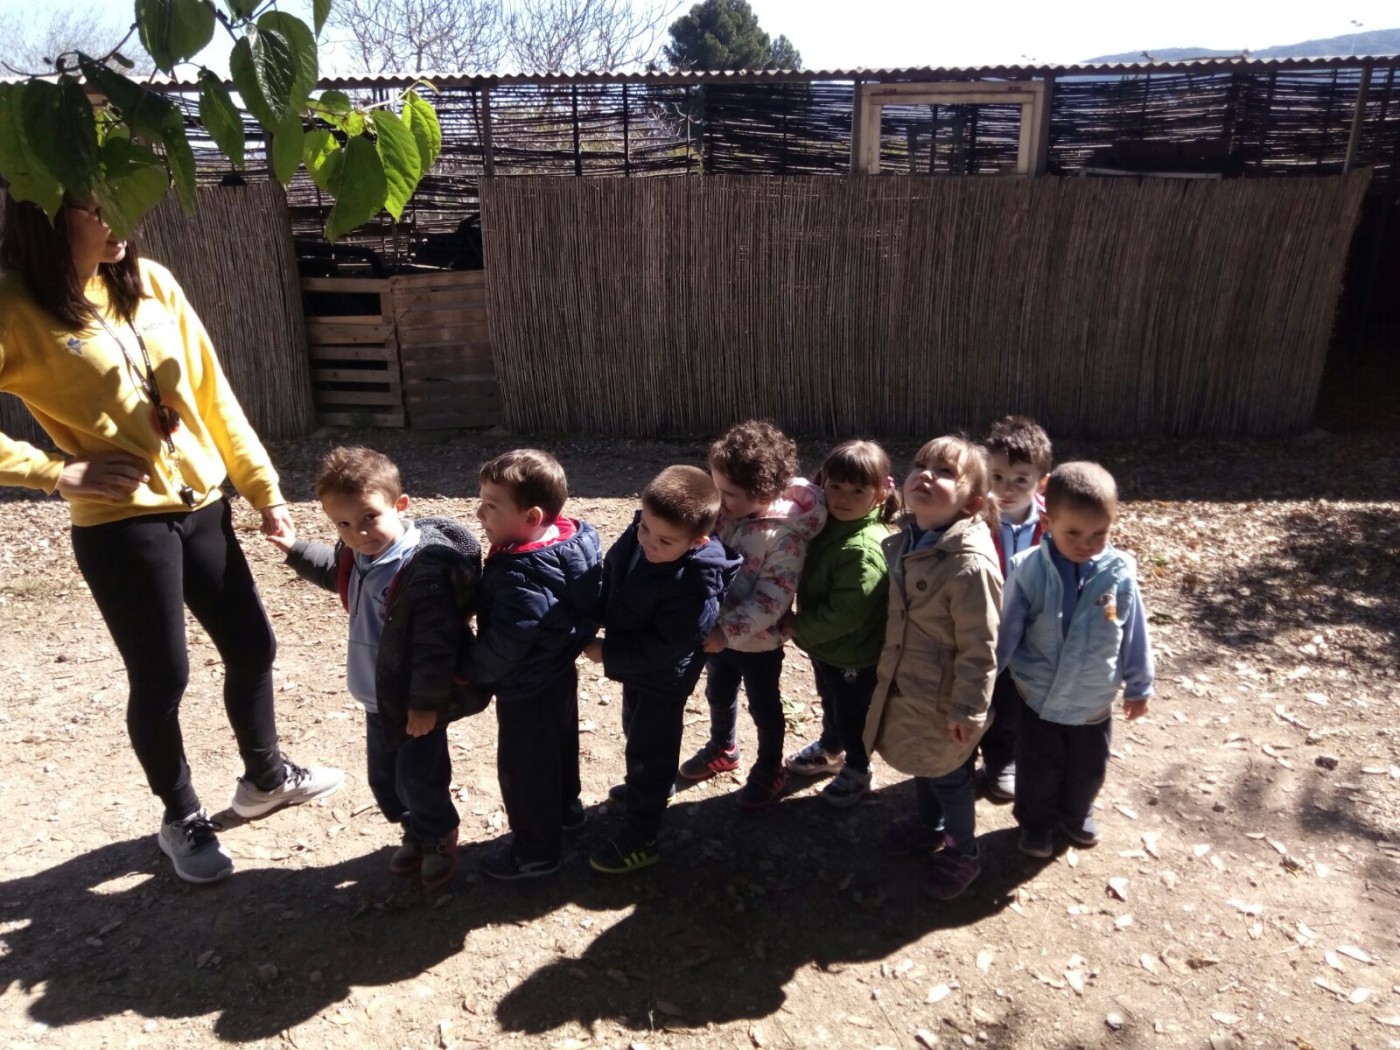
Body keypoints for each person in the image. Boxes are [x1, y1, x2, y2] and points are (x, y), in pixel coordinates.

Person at [0, 195, 341, 885]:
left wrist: (262, 488)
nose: (117, 217)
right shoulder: (14, 304)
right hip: (120, 522)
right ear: (49, 216)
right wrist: (54, 472)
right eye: (97, 206)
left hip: (202, 502)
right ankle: (179, 815)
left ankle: (266, 779)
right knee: (163, 677)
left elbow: (212, 396)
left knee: (253, 646)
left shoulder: (150, 281)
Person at [271, 446, 482, 892]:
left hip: (415, 701)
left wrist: (425, 705)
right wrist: (294, 548)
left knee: (419, 777)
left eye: (369, 517)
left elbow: (434, 647)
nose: (358, 532)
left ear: (400, 506)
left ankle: (437, 833)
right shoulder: (359, 555)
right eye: (343, 524)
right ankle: (416, 829)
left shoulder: (421, 571)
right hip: (377, 695)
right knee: (385, 777)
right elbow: (335, 573)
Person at [582, 466, 740, 874]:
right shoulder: (644, 530)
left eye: (665, 540)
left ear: (698, 541)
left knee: (650, 749)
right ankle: (649, 788)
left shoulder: (694, 580)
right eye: (646, 529)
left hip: (663, 678)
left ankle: (641, 836)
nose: (650, 543)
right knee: (634, 728)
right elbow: (616, 574)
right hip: (638, 669)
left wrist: (609, 654)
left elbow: (667, 647)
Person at [864, 436, 1002, 901]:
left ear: (972, 503)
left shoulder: (968, 563)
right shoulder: (910, 539)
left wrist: (969, 708)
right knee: (923, 760)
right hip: (911, 685)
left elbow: (980, 646)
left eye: (945, 472)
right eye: (920, 464)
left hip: (945, 696)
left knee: (949, 774)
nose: (925, 474)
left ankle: (964, 851)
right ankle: (928, 824)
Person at [996, 462, 1154, 859]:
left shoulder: (1119, 572)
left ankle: (1076, 812)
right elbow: (1008, 627)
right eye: (1073, 533)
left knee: (1089, 768)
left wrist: (1140, 684)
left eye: (1099, 533)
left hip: (1093, 698)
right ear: (1048, 522)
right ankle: (1036, 823)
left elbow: (1132, 630)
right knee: (1038, 767)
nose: (1087, 543)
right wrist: (984, 678)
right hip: (1039, 695)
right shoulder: (1028, 568)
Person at [463, 449, 602, 880]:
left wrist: (469, 670)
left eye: (491, 505)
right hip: (558, 669)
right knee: (558, 747)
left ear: (531, 516)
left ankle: (536, 850)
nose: (478, 511)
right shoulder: (573, 541)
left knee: (525, 769)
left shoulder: (519, 572)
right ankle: (566, 811)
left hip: (525, 684)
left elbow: (506, 642)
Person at [677, 420, 827, 810]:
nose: (720, 500)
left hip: (758, 641)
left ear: (764, 491)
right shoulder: (727, 512)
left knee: (765, 705)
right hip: (717, 632)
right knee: (718, 692)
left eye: (730, 494)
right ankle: (723, 748)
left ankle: (769, 766)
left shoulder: (785, 537)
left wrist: (726, 632)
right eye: (717, 488)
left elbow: (772, 600)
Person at [783, 440, 898, 808]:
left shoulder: (862, 548)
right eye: (835, 486)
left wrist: (800, 628)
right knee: (831, 701)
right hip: (829, 649)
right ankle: (831, 750)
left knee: (852, 714)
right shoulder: (828, 525)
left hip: (852, 653)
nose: (843, 498)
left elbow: (847, 614)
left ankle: (858, 769)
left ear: (880, 494)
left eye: (857, 490)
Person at [978, 415, 1054, 803]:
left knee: (1014, 698)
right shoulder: (976, 517)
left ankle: (1004, 758)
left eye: (1020, 479)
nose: (1006, 489)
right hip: (983, 624)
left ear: (1040, 481)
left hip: (1030, 628)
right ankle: (973, 758)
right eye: (997, 477)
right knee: (981, 692)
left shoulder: (1055, 521)